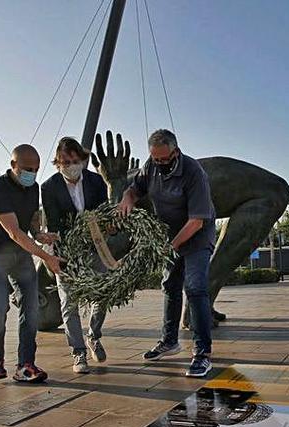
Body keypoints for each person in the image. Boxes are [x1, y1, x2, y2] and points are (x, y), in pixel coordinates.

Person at [117, 129, 217, 377]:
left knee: (195, 288)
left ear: (176, 151)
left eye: (164, 159)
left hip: (196, 237)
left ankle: (202, 352)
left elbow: (196, 221)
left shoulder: (194, 172)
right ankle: (169, 341)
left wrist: (170, 247)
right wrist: (127, 199)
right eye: (155, 159)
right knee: (170, 285)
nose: (160, 164)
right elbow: (134, 189)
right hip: (169, 236)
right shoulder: (150, 166)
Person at [0, 144, 64, 383]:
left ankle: (26, 364)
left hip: (19, 253)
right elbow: (14, 232)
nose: (32, 174)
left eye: (35, 169)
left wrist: (39, 233)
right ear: (13, 165)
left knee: (32, 306)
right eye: (26, 169)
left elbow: (32, 218)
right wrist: (47, 257)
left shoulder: (33, 187)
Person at [41, 137, 110, 373]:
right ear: (57, 163)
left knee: (102, 294)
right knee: (68, 303)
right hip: (66, 251)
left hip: (95, 247)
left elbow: (104, 212)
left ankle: (94, 335)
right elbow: (54, 223)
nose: (70, 165)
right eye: (65, 162)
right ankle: (78, 352)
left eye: (74, 160)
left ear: (82, 160)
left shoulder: (96, 182)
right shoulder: (49, 188)